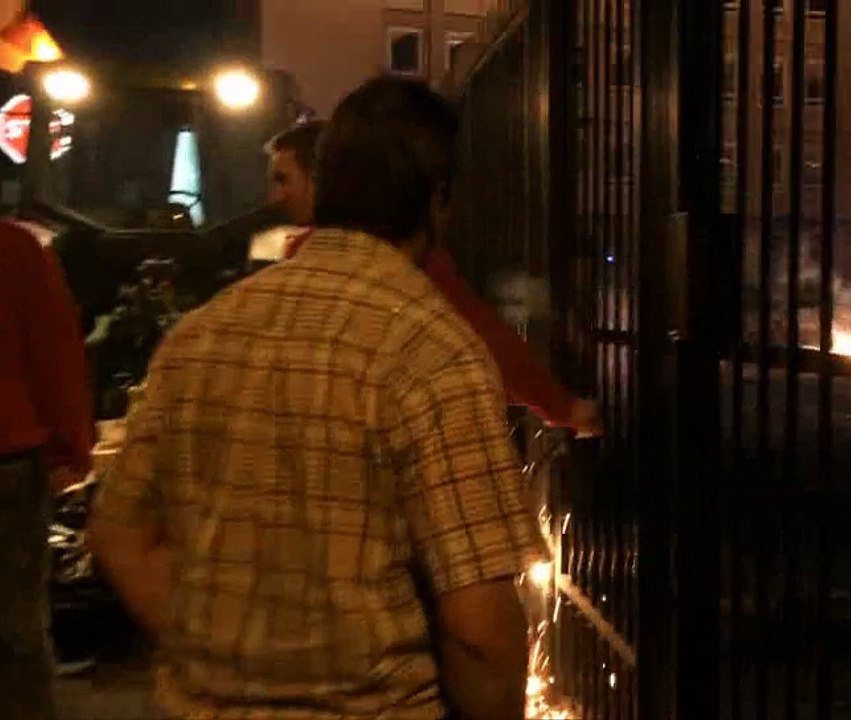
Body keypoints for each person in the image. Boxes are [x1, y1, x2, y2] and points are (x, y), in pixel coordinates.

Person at [88, 75, 546, 720]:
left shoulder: (202, 332)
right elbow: (479, 630)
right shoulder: (434, 351)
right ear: (438, 200)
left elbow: (119, 533)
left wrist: (222, 657)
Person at [265, 120, 601, 436]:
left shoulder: (312, 258)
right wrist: (562, 408)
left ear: (321, 179)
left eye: (283, 179)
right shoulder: (399, 250)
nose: (276, 196)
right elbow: (479, 337)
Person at [0, 219, 93, 719]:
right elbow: (54, 351)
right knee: (14, 626)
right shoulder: (15, 247)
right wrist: (69, 448)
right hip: (8, 455)